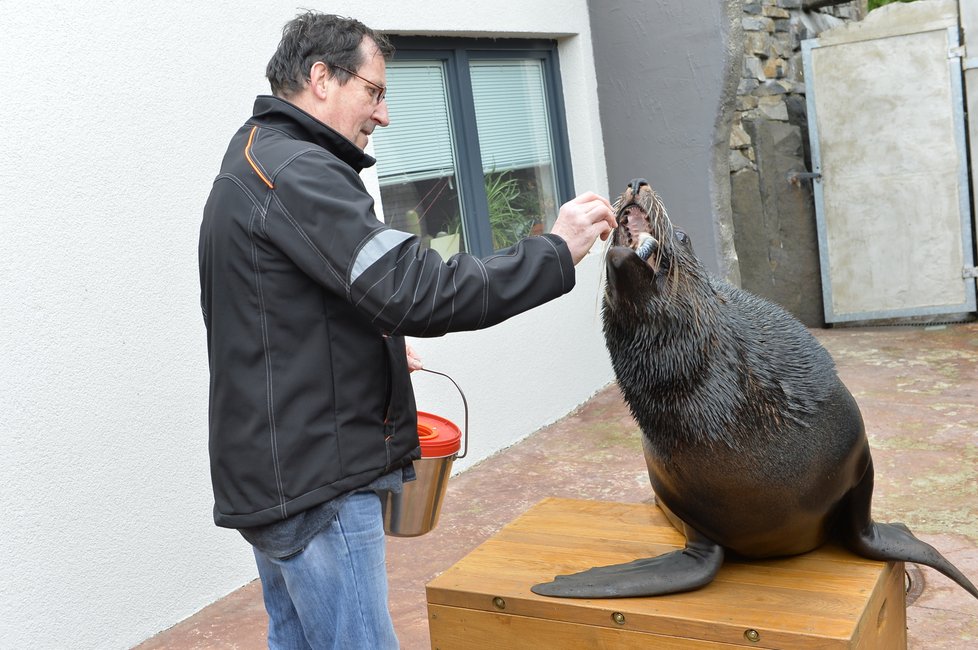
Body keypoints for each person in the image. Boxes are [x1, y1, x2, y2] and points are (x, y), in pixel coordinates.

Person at [198, 11, 615, 649]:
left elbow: (284, 311)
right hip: (319, 485)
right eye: (375, 91)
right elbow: (416, 289)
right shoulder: (301, 175)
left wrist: (374, 342)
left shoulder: (258, 157)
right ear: (321, 79)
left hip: (280, 471)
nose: (384, 114)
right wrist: (556, 251)